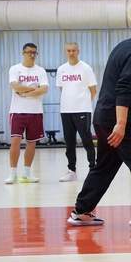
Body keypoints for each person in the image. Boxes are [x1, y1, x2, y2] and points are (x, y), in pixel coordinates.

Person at [67, 13, 131, 231]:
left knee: (105, 166)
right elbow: (124, 87)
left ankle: (81, 211)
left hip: (103, 118)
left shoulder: (123, 47)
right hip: (119, 121)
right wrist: (121, 124)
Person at [5, 43, 49, 184]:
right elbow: (15, 86)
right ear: (23, 53)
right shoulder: (15, 69)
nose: (32, 54)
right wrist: (33, 89)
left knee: (31, 143)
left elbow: (44, 89)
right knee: (15, 142)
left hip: (35, 112)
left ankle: (27, 173)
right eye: (29, 52)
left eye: (34, 52)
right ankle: (12, 174)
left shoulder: (40, 70)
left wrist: (25, 93)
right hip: (17, 111)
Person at [56, 42, 98, 182]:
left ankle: (93, 169)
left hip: (82, 110)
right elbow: (62, 88)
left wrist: (83, 103)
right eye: (68, 50)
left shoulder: (86, 68)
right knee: (69, 142)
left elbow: (93, 90)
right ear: (65, 52)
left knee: (86, 140)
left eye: (73, 50)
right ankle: (71, 171)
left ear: (78, 51)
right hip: (66, 110)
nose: (71, 53)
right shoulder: (61, 69)